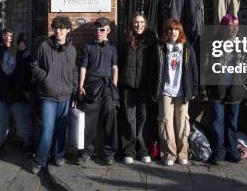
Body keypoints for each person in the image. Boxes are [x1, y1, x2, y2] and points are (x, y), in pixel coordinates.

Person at [29, 16, 77, 173]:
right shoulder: (44, 46)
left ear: (68, 30)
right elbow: (34, 66)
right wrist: (45, 78)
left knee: (61, 129)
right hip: (47, 96)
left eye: (62, 28)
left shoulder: (71, 49)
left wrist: (74, 88)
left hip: (65, 95)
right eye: (56, 28)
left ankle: (57, 155)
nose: (58, 31)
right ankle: (39, 160)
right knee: (47, 128)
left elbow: (73, 71)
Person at [152, 19, 198, 166]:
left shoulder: (187, 48)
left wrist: (195, 89)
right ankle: (169, 155)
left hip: (182, 91)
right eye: (170, 30)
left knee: (182, 124)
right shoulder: (161, 48)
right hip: (165, 91)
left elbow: (194, 70)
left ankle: (183, 154)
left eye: (176, 30)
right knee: (166, 122)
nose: (173, 33)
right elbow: (154, 70)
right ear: (166, 32)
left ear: (180, 32)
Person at [206, 14, 247, 165]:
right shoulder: (214, 42)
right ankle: (218, 151)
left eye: (236, 25)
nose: (234, 29)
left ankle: (231, 150)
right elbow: (206, 64)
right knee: (217, 121)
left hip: (235, 88)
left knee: (232, 121)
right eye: (230, 25)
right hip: (218, 88)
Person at [77, 17, 119, 165]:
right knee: (89, 120)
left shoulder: (112, 48)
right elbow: (83, 68)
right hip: (91, 87)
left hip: (107, 87)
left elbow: (115, 69)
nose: (98, 32)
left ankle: (109, 153)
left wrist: (113, 88)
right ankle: (86, 151)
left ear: (108, 31)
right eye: (96, 29)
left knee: (110, 117)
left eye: (101, 29)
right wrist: (80, 86)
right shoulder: (88, 47)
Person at [117, 12, 157, 164]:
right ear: (131, 24)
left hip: (144, 86)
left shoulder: (151, 40)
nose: (138, 25)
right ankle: (129, 151)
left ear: (145, 23)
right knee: (129, 119)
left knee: (144, 119)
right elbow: (119, 62)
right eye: (136, 22)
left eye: (141, 22)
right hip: (128, 86)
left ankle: (143, 150)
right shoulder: (125, 39)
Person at [0, 28, 33, 160]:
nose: (8, 38)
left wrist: (25, 89)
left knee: (22, 121)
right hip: (2, 92)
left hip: (18, 93)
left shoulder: (23, 52)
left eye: (11, 36)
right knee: (1, 122)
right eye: (5, 35)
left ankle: (27, 144)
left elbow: (28, 69)